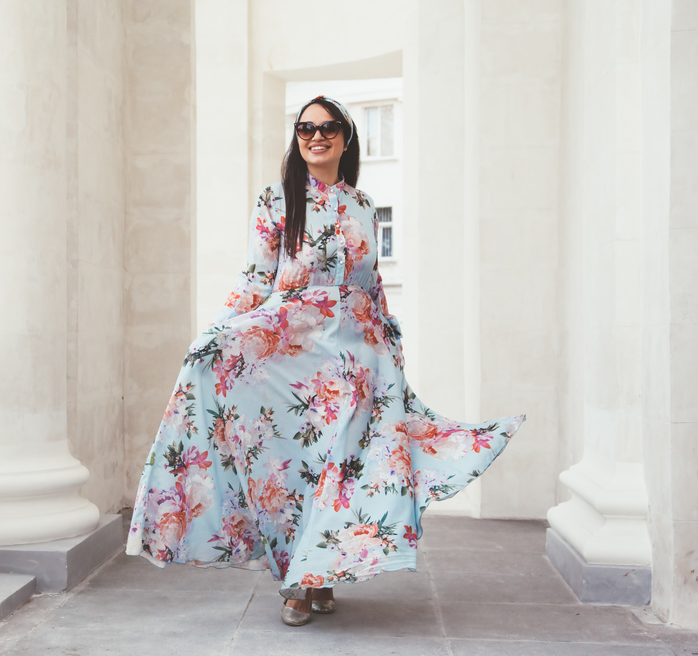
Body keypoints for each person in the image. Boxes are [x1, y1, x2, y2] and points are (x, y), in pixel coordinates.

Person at [125, 95, 525, 626]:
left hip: (359, 356)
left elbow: (371, 281)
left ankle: (321, 575)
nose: (317, 135)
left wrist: (390, 339)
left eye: (329, 126)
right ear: (297, 137)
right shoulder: (277, 199)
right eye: (306, 127)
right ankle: (299, 582)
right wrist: (217, 332)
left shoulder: (363, 204)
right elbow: (256, 278)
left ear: (346, 135)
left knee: (343, 467)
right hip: (294, 352)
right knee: (300, 468)